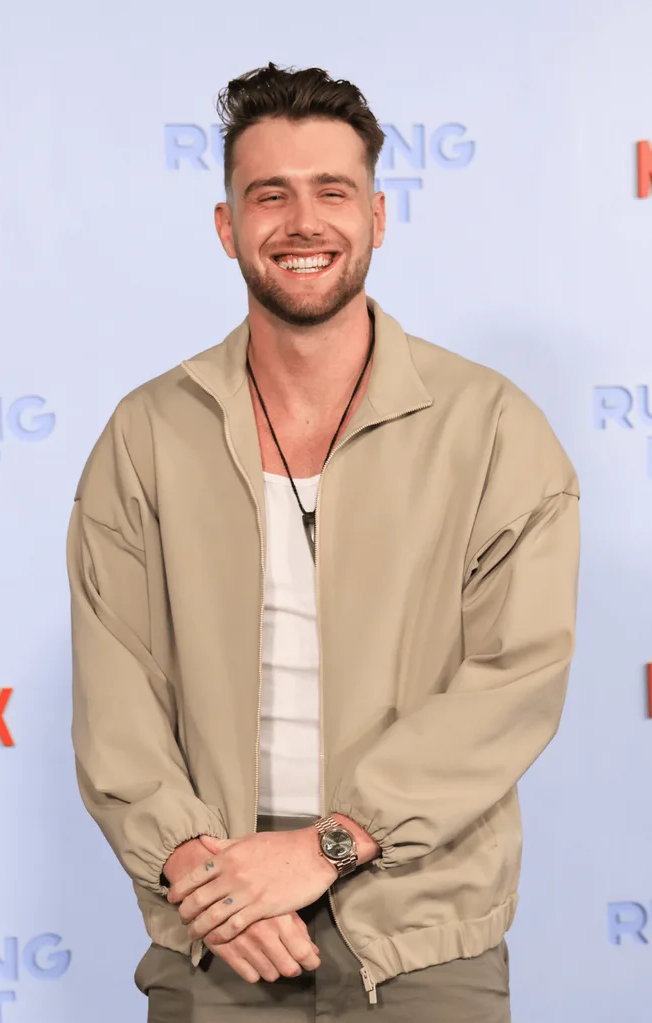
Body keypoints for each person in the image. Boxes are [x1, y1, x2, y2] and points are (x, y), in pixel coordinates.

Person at [67, 63, 580, 1022]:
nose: (303, 222)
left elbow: (513, 682)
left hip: (426, 932)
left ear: (377, 217)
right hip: (217, 924)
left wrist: (327, 845)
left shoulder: (496, 429)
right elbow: (115, 693)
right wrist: (199, 874)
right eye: (271, 194)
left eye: (331, 192)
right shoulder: (146, 434)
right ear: (227, 227)